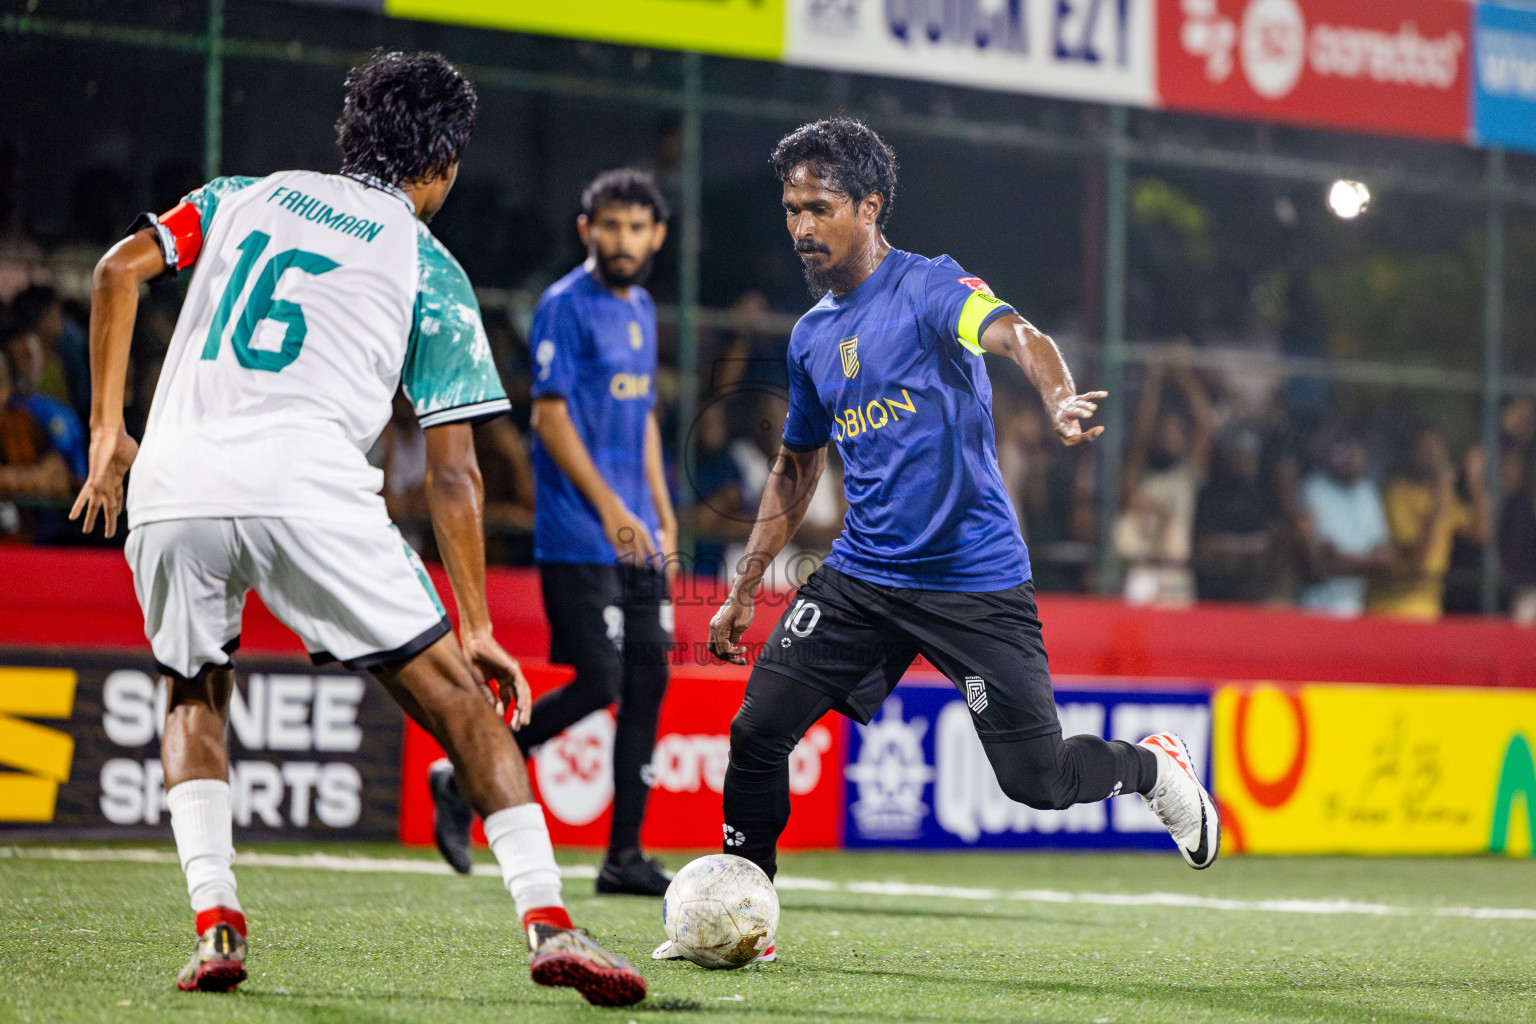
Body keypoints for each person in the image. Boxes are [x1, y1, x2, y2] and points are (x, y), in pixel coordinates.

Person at [69, 51, 645, 1006]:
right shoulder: (427, 263)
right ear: (445, 165)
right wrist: (478, 624)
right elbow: (453, 474)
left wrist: (107, 432)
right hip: (308, 487)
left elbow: (115, 270)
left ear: (351, 136)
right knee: (463, 701)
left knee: (191, 688)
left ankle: (216, 920)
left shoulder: (242, 196)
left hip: (172, 485)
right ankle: (547, 918)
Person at [691, 120, 1219, 960]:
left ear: (869, 206)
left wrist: (1055, 396)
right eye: (790, 209)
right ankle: (745, 918)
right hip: (863, 576)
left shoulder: (932, 288)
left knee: (1037, 782)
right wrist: (749, 582)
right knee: (758, 731)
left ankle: (1152, 768)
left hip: (974, 580)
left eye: (818, 208)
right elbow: (795, 466)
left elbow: (1019, 337)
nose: (799, 227)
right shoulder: (810, 338)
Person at [429, 168, 679, 897]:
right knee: (600, 680)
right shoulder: (564, 306)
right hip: (579, 533)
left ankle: (623, 857)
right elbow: (549, 417)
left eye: (636, 227)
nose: (623, 239)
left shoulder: (641, 309)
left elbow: (647, 422)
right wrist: (612, 511)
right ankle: (461, 773)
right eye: (610, 224)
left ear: (656, 235)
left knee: (648, 681)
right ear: (585, 228)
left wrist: (659, 514)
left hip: (636, 534)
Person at [1116, 353, 1216, 606]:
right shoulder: (1140, 473)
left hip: (1175, 574)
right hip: (1140, 571)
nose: (1172, 433)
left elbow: (1206, 425)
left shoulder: (1185, 476)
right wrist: (1153, 381)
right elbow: (1140, 433)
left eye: (1178, 429)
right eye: (1166, 427)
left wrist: (1183, 375)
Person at [1367, 427, 1490, 621]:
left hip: (1429, 610)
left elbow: (1480, 532)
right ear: (1411, 454)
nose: (1432, 459)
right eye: (1425, 451)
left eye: (1437, 451)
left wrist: (1474, 479)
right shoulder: (1398, 492)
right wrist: (1439, 505)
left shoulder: (1443, 494)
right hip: (1392, 610)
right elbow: (1419, 557)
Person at [1295, 430, 1392, 617]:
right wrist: (1367, 563)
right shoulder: (1314, 488)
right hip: (1316, 605)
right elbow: (1322, 555)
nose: (1352, 460)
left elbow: (1385, 553)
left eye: (1357, 454)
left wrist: (1353, 563)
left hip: (1355, 605)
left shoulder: (1366, 492)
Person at [1192, 428, 1277, 603]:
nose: (1245, 461)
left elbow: (1266, 547)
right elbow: (1204, 546)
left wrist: (1231, 548)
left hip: (1251, 592)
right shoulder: (1208, 495)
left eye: (1250, 455)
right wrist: (1244, 548)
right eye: (1239, 454)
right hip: (1211, 591)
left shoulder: (1261, 496)